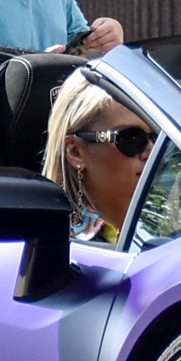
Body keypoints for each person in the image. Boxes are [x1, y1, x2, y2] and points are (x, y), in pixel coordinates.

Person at [43, 68, 154, 242]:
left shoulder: (174, 223)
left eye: (157, 136)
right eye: (132, 139)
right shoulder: (57, 247)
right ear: (76, 152)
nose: (152, 150)